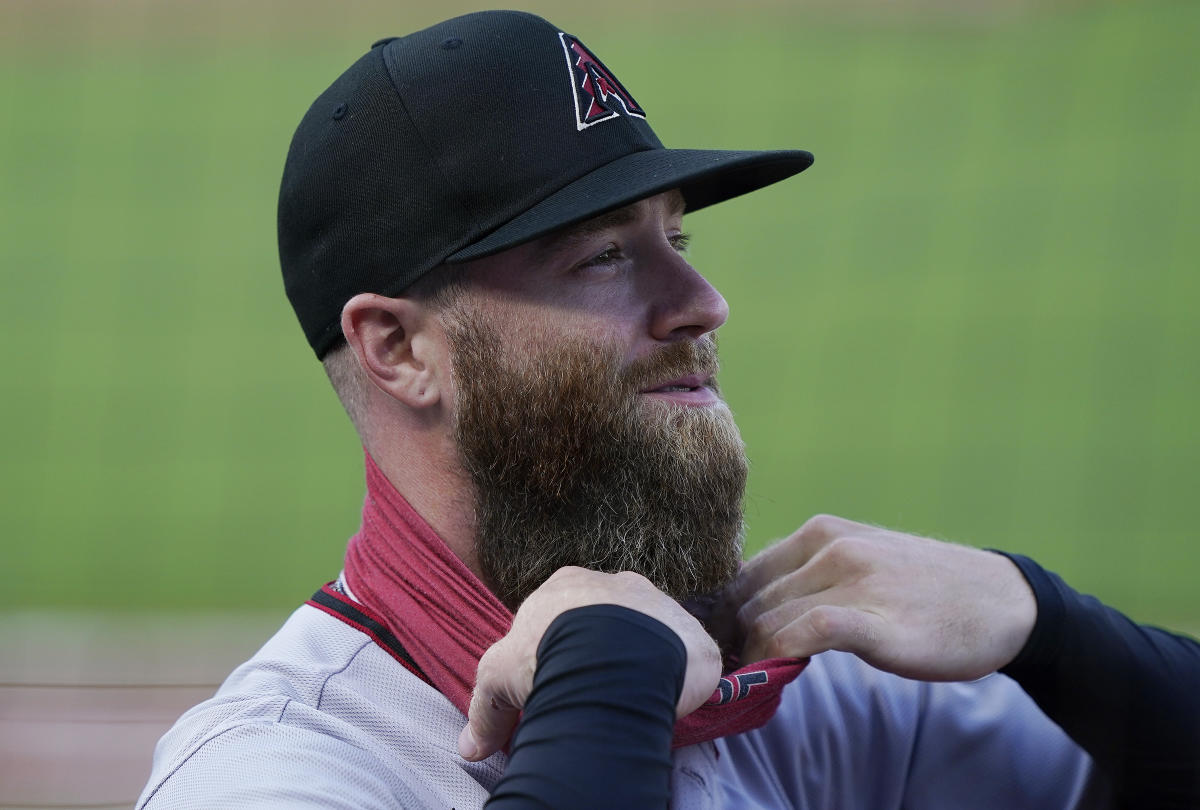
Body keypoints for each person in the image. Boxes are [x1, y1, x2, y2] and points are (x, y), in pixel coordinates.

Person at [138, 10, 1200, 809]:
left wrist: (1060, 634)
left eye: (676, 241)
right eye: (604, 257)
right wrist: (605, 686)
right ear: (400, 349)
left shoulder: (808, 698)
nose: (702, 304)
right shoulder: (283, 769)